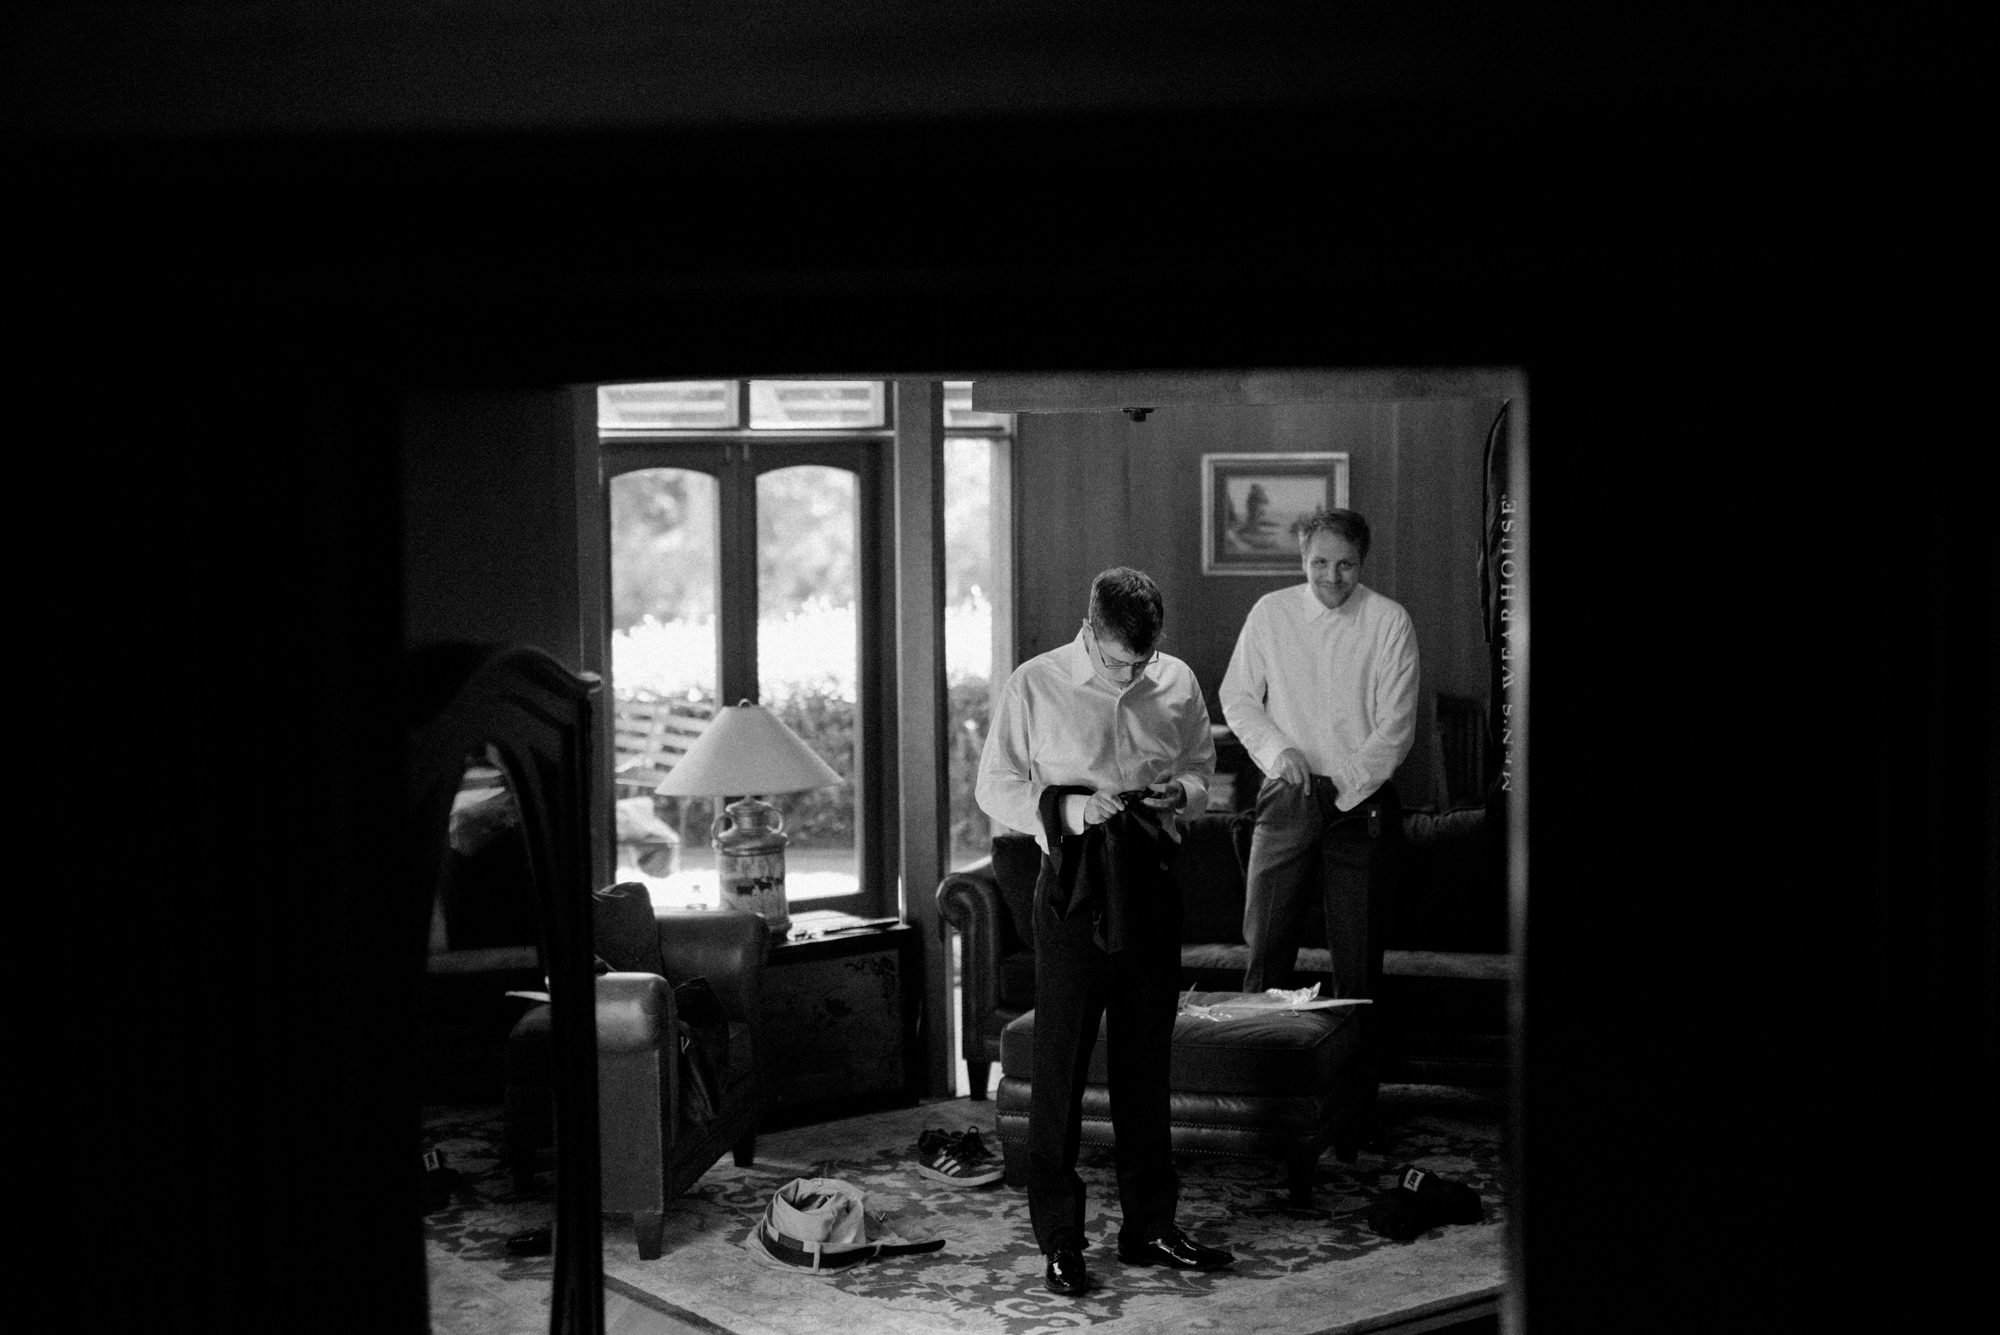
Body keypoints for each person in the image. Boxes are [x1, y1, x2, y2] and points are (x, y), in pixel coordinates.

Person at [975, 566, 1234, 1297]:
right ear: (1090, 631)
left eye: (1142, 660)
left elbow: (1201, 766)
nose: (1133, 671)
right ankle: (1060, 1238)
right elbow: (993, 785)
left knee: (1147, 1065)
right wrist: (1069, 809)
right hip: (1075, 887)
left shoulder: (1176, 679)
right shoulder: (1035, 683)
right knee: (1058, 1068)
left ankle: (1150, 1225)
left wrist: (1178, 790)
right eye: (1120, 659)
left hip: (1151, 878)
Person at [1220, 507, 1419, 997]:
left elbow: (1396, 728)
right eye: (1320, 563)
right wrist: (1278, 750)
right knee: (1266, 951)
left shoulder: (1390, 620)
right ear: (1303, 559)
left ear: (1362, 563)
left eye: (1346, 565)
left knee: (1358, 961)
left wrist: (1341, 789)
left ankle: (1353, 1071)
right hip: (1288, 793)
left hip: (1362, 805)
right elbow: (1238, 696)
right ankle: (1259, 1069)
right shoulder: (1270, 612)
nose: (1332, 576)